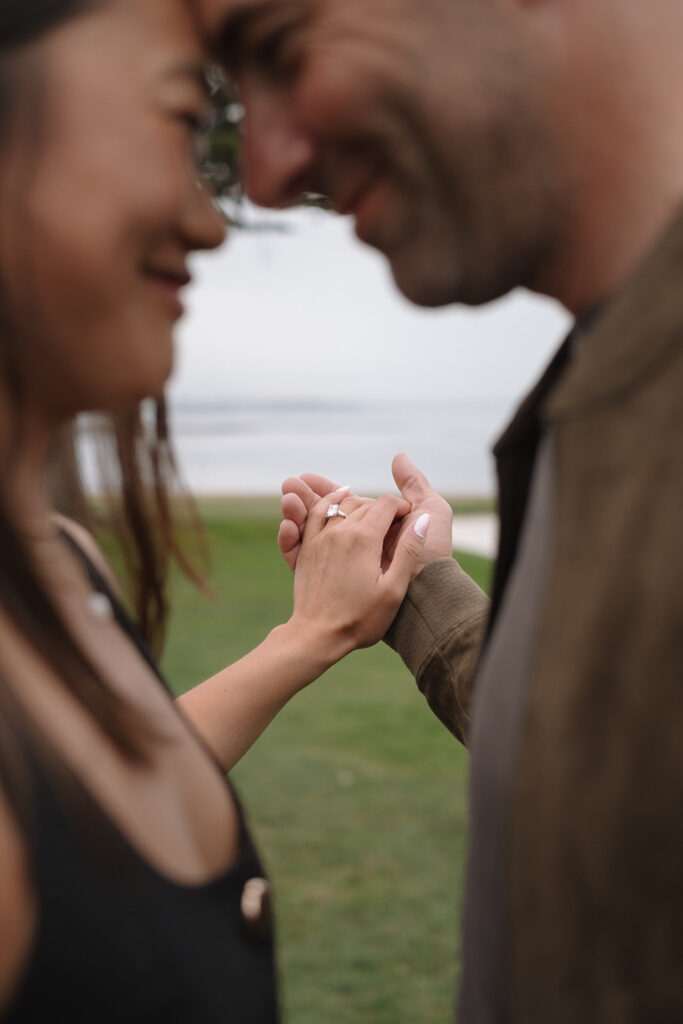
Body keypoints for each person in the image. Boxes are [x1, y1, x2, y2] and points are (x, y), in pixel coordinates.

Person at [196, 0, 683, 1019]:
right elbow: (606, 772)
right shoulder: (606, 377)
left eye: (285, 47)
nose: (268, 174)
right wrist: (418, 591)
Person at [0, 1, 429, 1019]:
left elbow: (100, 791)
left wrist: (312, 633)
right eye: (181, 127)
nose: (209, 221)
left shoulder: (60, 559)